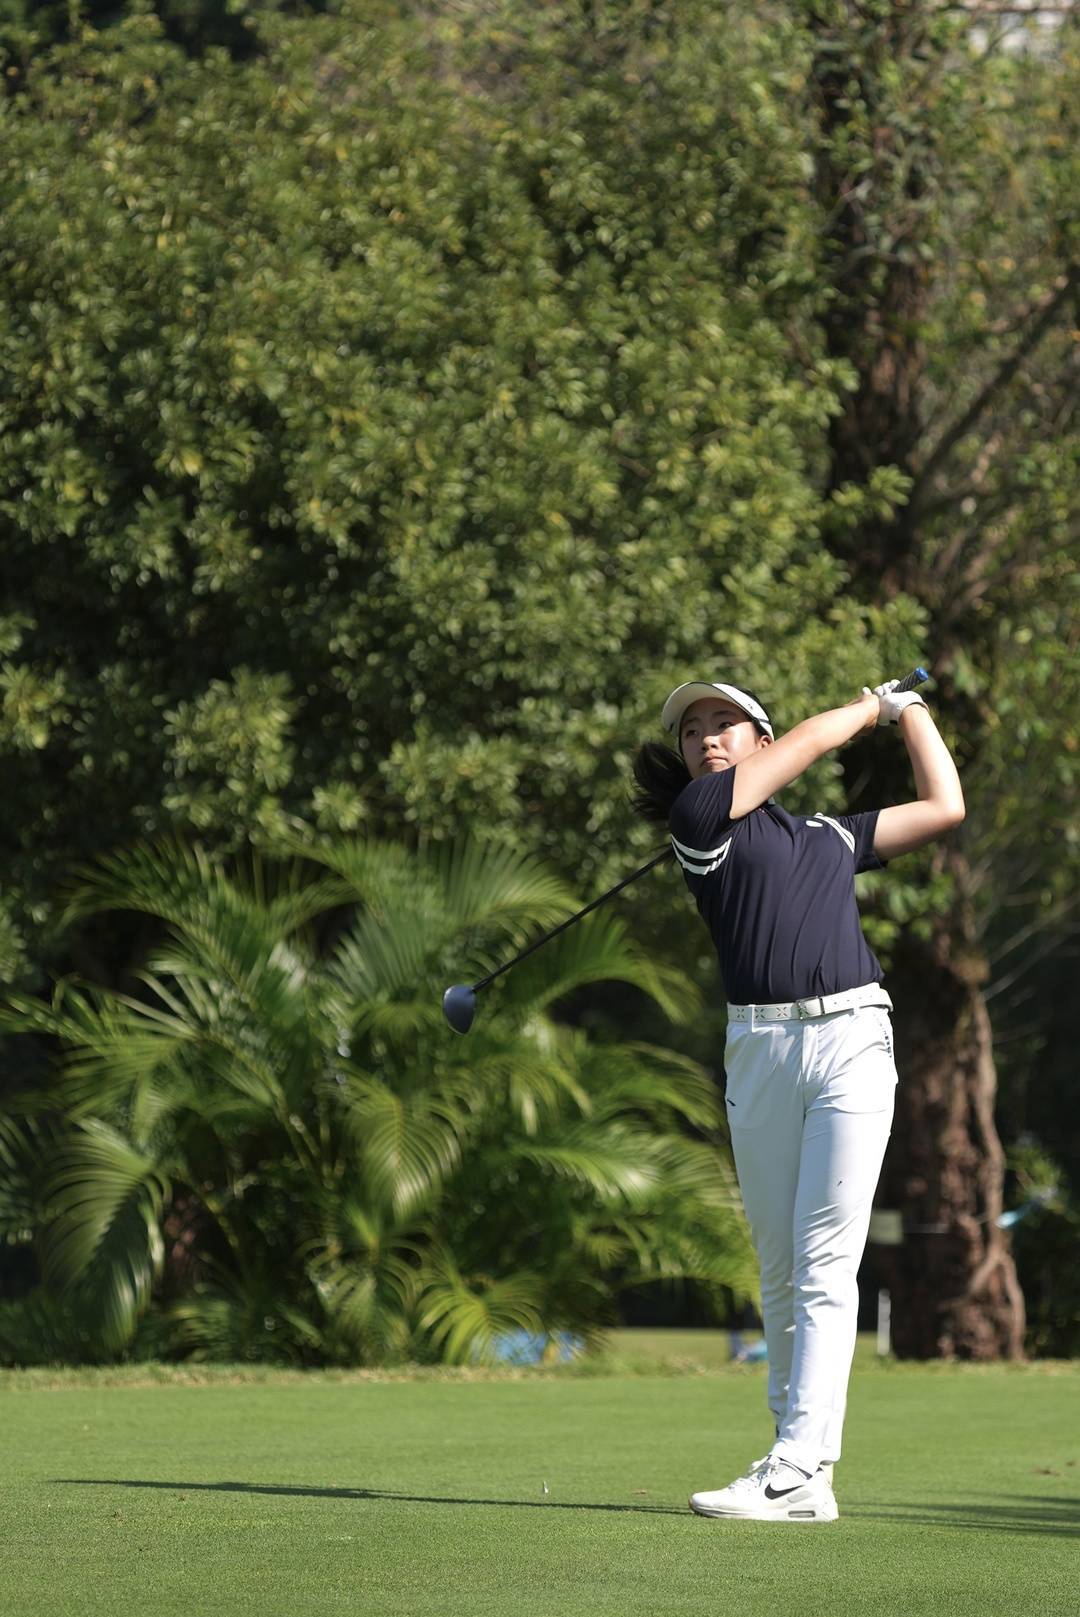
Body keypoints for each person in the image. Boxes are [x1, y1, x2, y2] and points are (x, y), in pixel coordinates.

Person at [632, 676, 965, 1523]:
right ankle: (797, 1464)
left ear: (760, 736)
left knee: (823, 1260)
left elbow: (944, 806)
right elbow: (815, 740)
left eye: (725, 723)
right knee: (780, 1267)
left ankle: (796, 1465)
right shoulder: (698, 821)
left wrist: (910, 713)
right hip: (759, 1051)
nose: (708, 738)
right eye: (693, 731)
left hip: (853, 1037)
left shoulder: (830, 836)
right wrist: (867, 707)